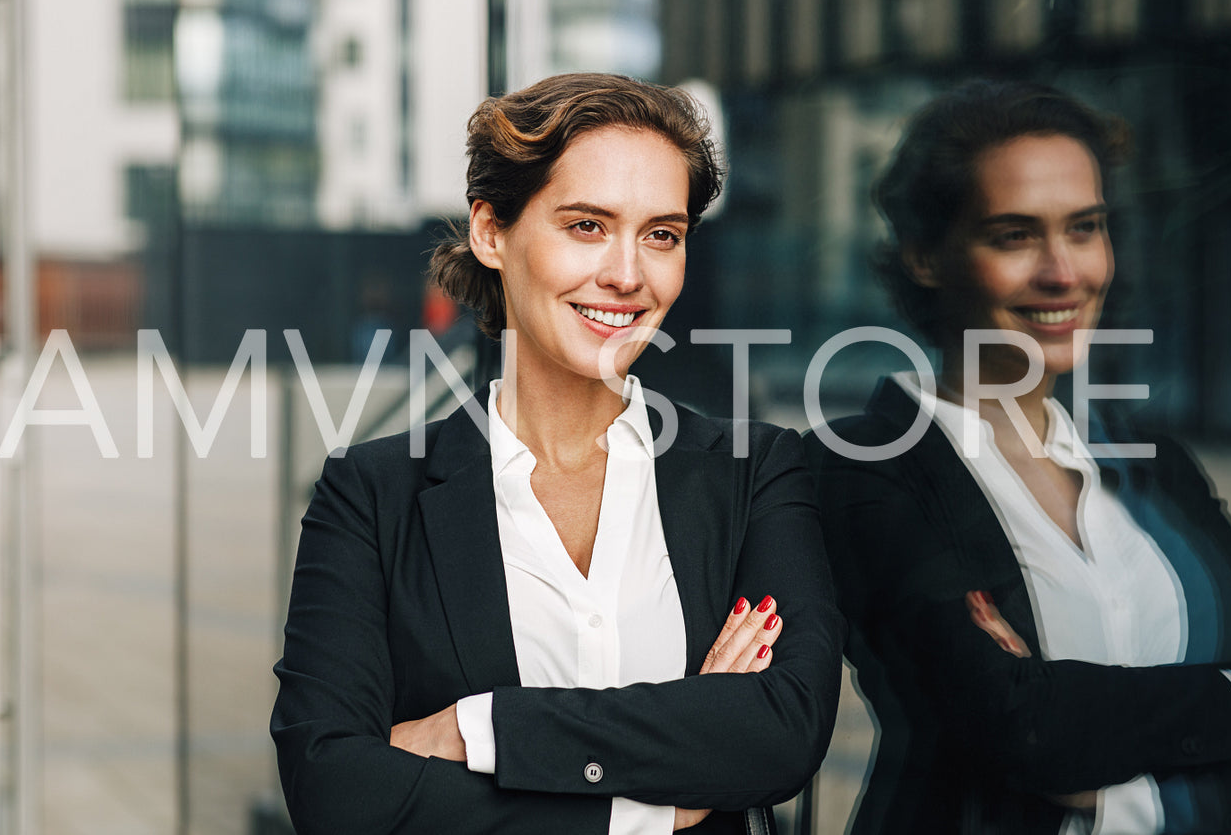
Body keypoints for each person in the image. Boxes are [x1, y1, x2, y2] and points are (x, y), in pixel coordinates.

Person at [272, 73, 842, 835]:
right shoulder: (371, 495)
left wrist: (480, 729)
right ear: (490, 231)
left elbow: (780, 730)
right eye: (586, 225)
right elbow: (334, 792)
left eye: (661, 234)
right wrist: (652, 799)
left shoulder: (755, 473)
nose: (627, 273)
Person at [805, 80, 1231, 834]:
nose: (1063, 272)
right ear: (924, 255)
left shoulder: (1153, 465)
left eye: (1084, 228)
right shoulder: (866, 465)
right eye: (1014, 235)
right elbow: (1021, 731)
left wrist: (1105, 772)